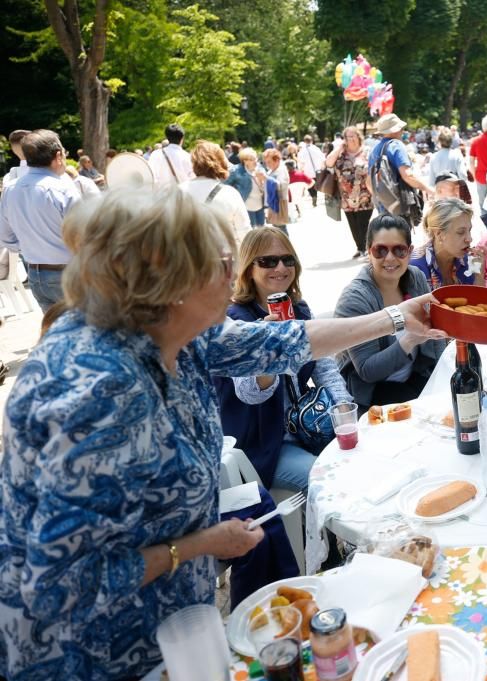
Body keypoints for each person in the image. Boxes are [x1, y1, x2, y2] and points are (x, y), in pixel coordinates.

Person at [0, 188, 442, 680]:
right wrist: (199, 543)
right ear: (168, 279)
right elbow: (64, 581)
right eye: (223, 262)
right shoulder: (95, 393)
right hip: (92, 653)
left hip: (170, 623)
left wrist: (401, 316)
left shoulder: (172, 329)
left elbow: (288, 340)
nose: (233, 275)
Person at [216, 227, 351, 492]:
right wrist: (267, 347)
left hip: (309, 427)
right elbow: (249, 394)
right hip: (266, 444)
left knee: (361, 462)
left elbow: (324, 365)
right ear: (248, 268)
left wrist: (344, 410)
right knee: (331, 483)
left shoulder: (298, 308)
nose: (280, 267)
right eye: (268, 261)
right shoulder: (235, 320)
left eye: (287, 259)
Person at [335, 214, 445, 412]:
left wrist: (442, 378)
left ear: (410, 251)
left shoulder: (415, 277)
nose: (390, 258)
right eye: (380, 250)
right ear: (369, 252)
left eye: (399, 250)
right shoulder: (355, 299)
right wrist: (410, 340)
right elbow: (368, 371)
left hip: (415, 378)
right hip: (373, 395)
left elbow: (433, 335)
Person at [0, 129, 80, 312]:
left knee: (54, 332)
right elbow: (85, 237)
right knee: (85, 332)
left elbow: (4, 236)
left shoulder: (10, 189)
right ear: (58, 155)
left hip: (35, 272)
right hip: (67, 272)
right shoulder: (63, 189)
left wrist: (31, 247)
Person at [180, 141, 252, 244]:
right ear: (221, 162)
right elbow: (245, 235)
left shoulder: (179, 191)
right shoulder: (230, 194)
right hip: (225, 256)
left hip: (189, 257)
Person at [369, 114, 434, 225]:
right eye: (401, 128)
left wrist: (382, 198)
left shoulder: (375, 149)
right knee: (402, 239)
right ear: (395, 130)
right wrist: (429, 189)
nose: (402, 130)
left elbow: (368, 181)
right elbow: (407, 175)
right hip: (400, 205)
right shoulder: (397, 146)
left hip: (384, 207)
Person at [411, 198, 483, 289]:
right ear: (439, 234)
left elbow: (478, 301)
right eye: (461, 232)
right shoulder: (415, 267)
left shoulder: (469, 262)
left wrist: (478, 275)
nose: (469, 239)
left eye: (469, 230)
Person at [327, 125, 373, 259]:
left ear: (359, 137)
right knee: (353, 224)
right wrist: (339, 148)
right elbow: (329, 163)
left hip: (365, 194)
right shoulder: (341, 153)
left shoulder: (367, 151)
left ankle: (366, 248)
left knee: (363, 223)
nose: (350, 139)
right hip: (346, 196)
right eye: (348, 137)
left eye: (353, 136)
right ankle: (360, 248)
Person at [224, 147, 267, 228]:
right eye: (252, 159)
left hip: (260, 204)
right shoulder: (236, 170)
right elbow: (225, 185)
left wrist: (263, 180)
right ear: (245, 161)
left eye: (255, 158)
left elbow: (265, 187)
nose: (255, 161)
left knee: (261, 229)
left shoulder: (260, 169)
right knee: (250, 230)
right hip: (246, 205)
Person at [262, 148, 291, 234]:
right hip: (273, 201)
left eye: (269, 162)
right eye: (266, 162)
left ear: (277, 160)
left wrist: (266, 178)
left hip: (279, 202)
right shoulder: (272, 170)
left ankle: (286, 246)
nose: (267, 165)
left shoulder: (281, 170)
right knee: (276, 228)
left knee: (281, 228)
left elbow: (280, 185)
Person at [297, 134, 326, 207]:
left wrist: (301, 170)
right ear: (312, 141)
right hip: (317, 171)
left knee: (309, 185)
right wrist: (322, 168)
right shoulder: (316, 148)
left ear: (304, 141)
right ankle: (315, 196)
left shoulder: (302, 151)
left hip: (307, 172)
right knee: (315, 184)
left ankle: (313, 196)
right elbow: (323, 159)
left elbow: (301, 163)